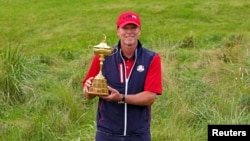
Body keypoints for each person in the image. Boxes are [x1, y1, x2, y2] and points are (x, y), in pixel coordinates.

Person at [82, 11, 162, 141]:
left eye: (133, 28)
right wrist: (88, 88)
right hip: (106, 133)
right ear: (118, 31)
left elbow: (150, 97)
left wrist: (122, 98)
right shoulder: (103, 56)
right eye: (125, 28)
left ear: (139, 30)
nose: (129, 32)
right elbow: (88, 95)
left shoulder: (151, 58)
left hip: (138, 134)